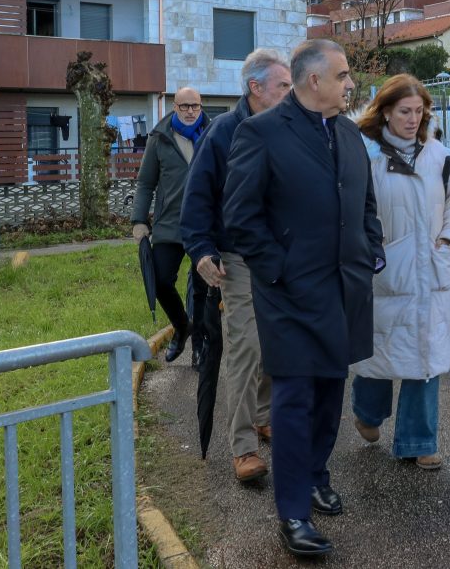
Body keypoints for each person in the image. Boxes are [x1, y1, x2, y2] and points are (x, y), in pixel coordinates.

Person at [223, 40, 384, 559]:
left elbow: (365, 203)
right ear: (313, 80)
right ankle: (292, 512)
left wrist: (370, 249)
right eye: (342, 76)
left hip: (344, 289)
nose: (350, 84)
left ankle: (315, 473)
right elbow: (241, 216)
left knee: (329, 396)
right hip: (290, 295)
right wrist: (279, 270)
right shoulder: (261, 132)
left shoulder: (348, 134)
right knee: (293, 401)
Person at [180, 49, 292, 484]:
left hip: (282, 255)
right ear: (255, 88)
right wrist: (202, 250)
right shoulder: (224, 132)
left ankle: (264, 415)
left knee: (274, 341)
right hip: (238, 257)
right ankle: (244, 446)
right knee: (245, 346)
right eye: (283, 85)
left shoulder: (291, 127)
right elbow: (198, 198)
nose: (289, 92)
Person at [350, 74, 450, 470]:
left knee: (426, 358)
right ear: (385, 111)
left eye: (418, 111)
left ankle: (419, 442)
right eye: (404, 111)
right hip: (384, 274)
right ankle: (368, 415)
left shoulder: (440, 156)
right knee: (379, 355)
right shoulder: (363, 154)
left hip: (431, 273)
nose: (412, 118)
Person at [132, 86, 211, 363]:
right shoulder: (159, 138)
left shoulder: (212, 134)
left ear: (201, 107)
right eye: (184, 106)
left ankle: (200, 344)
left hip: (205, 225)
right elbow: (145, 184)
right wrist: (139, 221)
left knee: (203, 288)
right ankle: (181, 326)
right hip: (170, 224)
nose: (190, 111)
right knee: (162, 279)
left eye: (195, 106)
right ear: (174, 107)